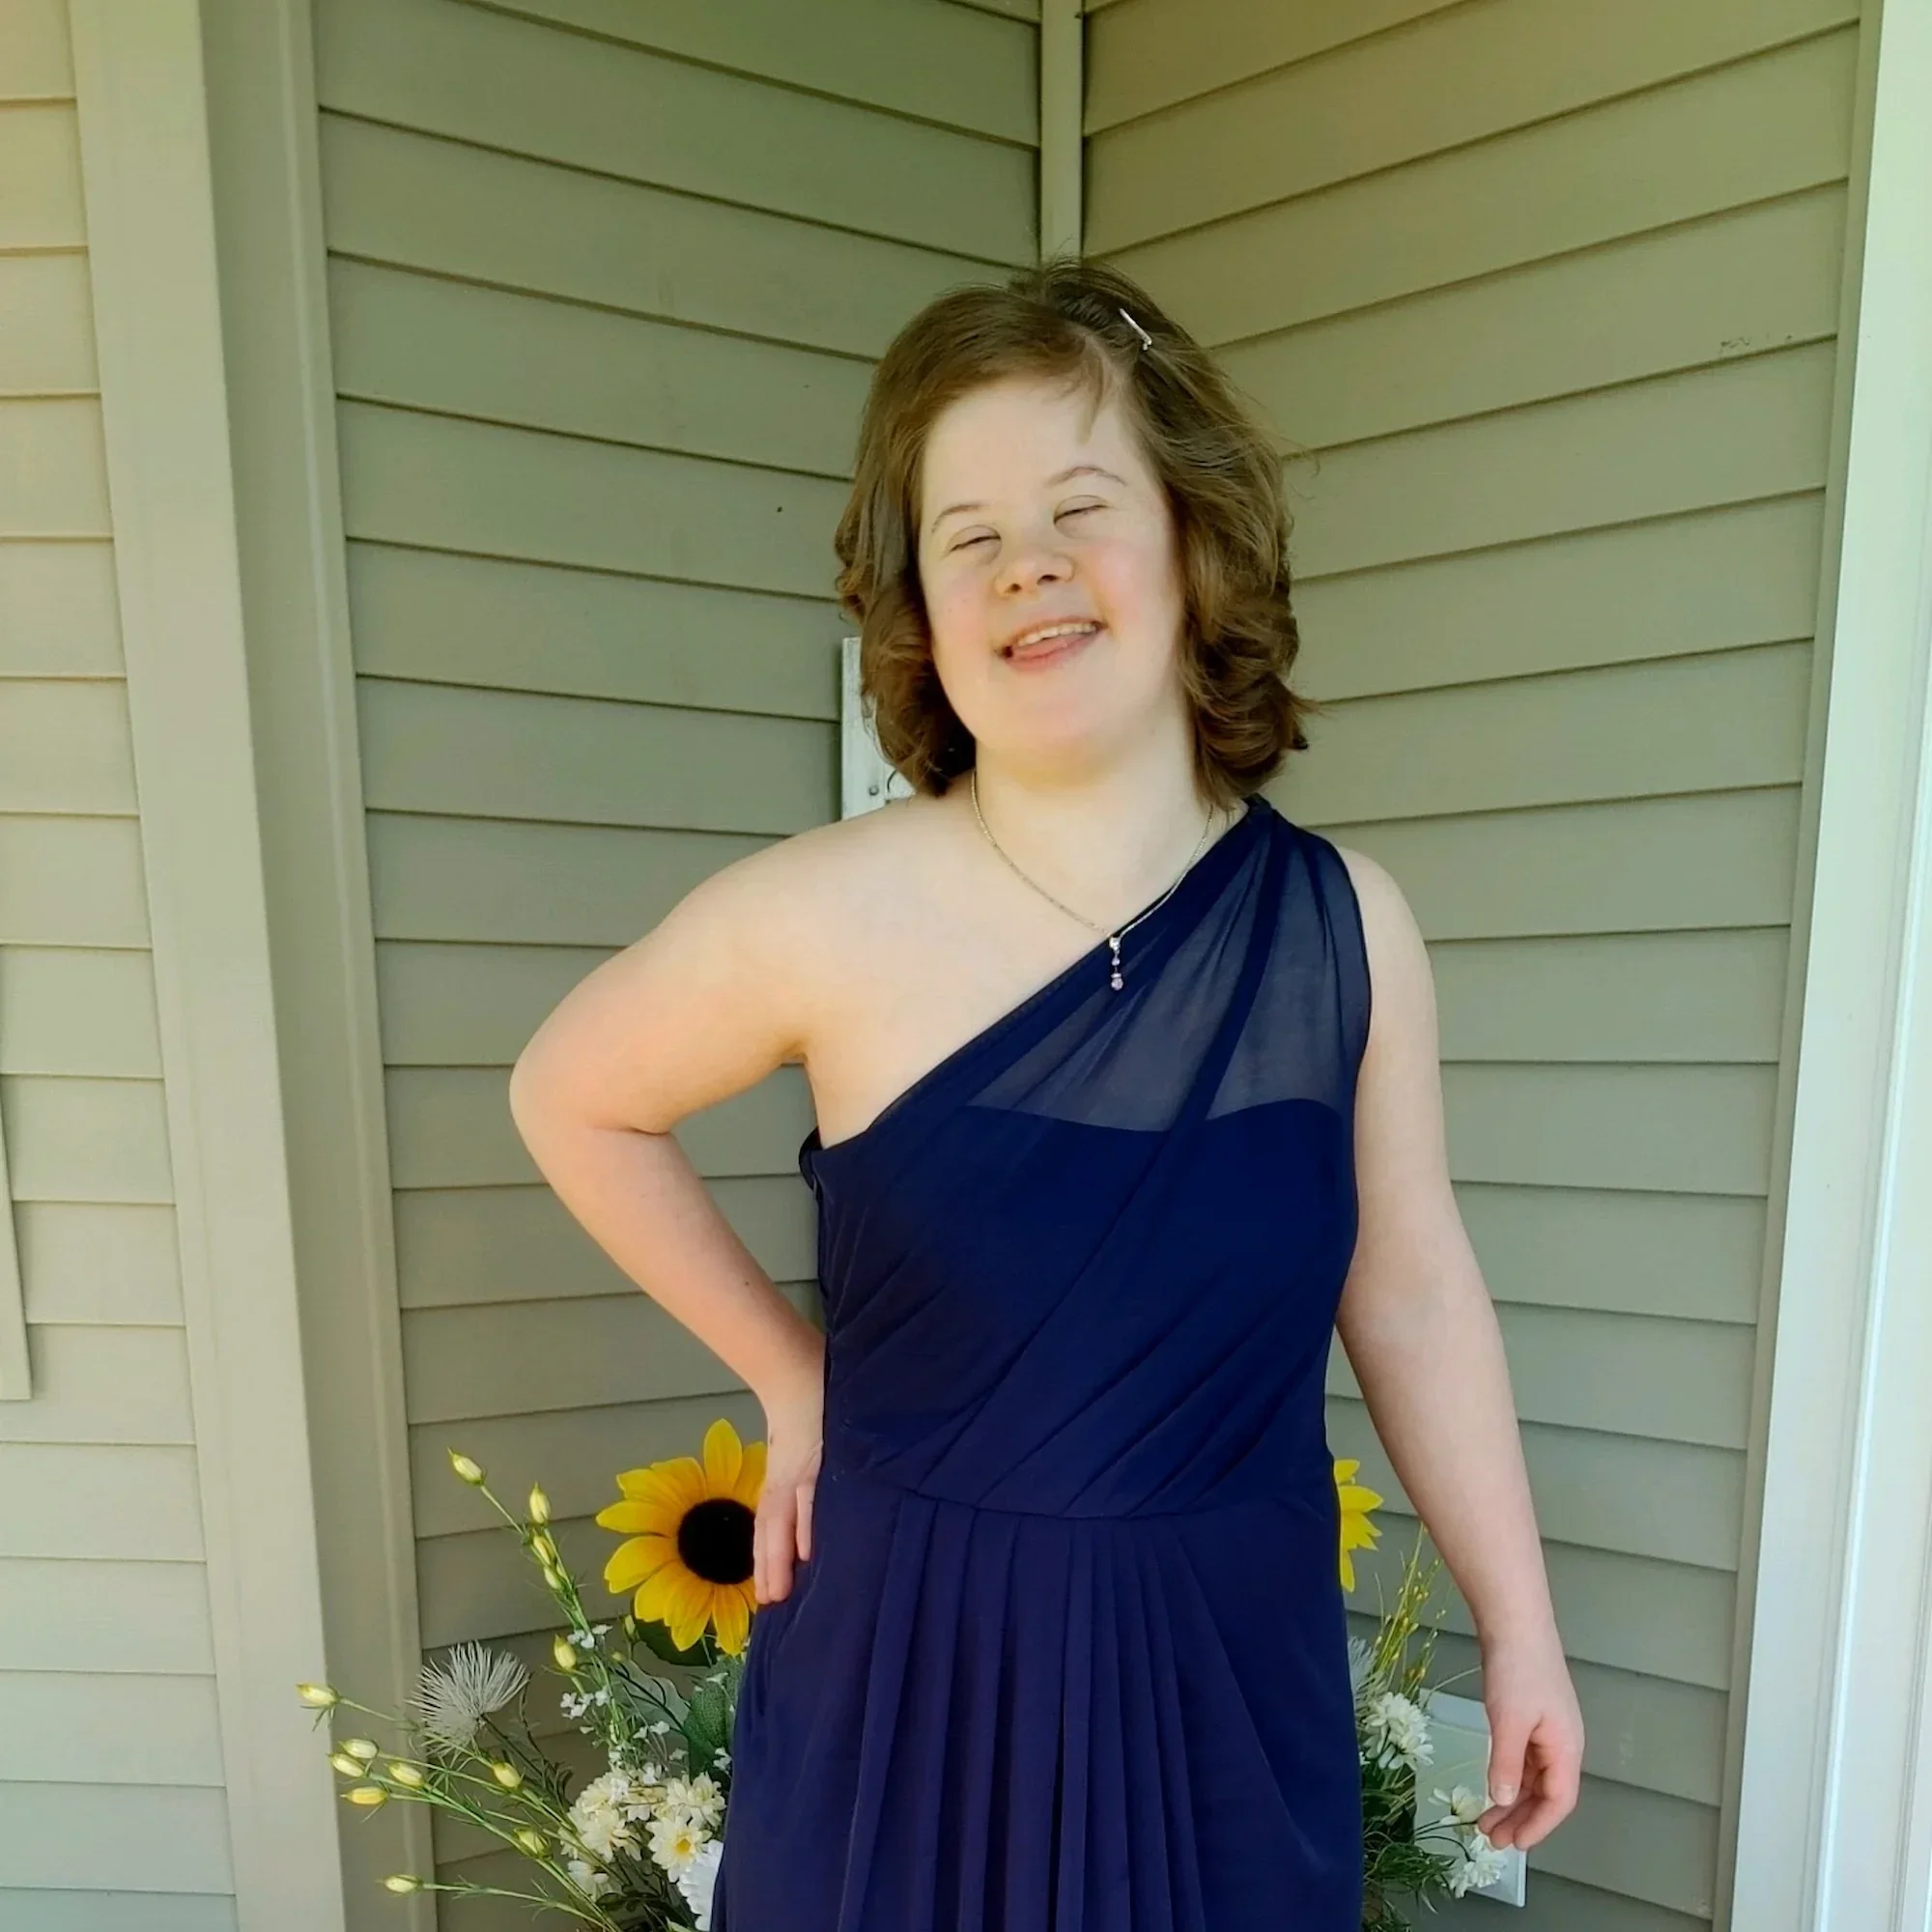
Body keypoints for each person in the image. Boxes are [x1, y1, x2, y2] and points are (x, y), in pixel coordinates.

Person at [508, 256, 1584, 1928]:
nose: (1033, 570)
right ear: (920, 607)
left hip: (1225, 1680)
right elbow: (573, 1096)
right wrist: (792, 1378)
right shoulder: (819, 912)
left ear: (1191, 540)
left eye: (1084, 508)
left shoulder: (1343, 931)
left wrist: (1521, 1628)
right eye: (971, 537)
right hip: (903, 1670)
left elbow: (1414, 1283)